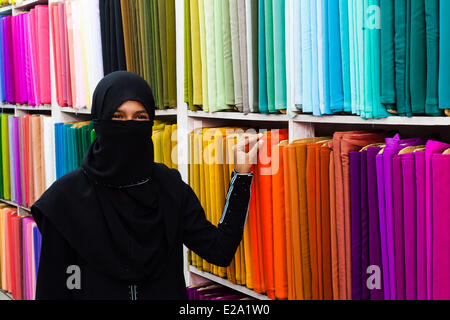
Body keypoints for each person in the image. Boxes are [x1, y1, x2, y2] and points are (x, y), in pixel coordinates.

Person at [31, 71, 262, 300]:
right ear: (99, 122)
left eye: (140, 117)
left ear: (150, 122)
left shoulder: (169, 187)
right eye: (117, 117)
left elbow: (219, 250)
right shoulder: (65, 200)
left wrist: (241, 176)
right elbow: (53, 290)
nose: (129, 126)